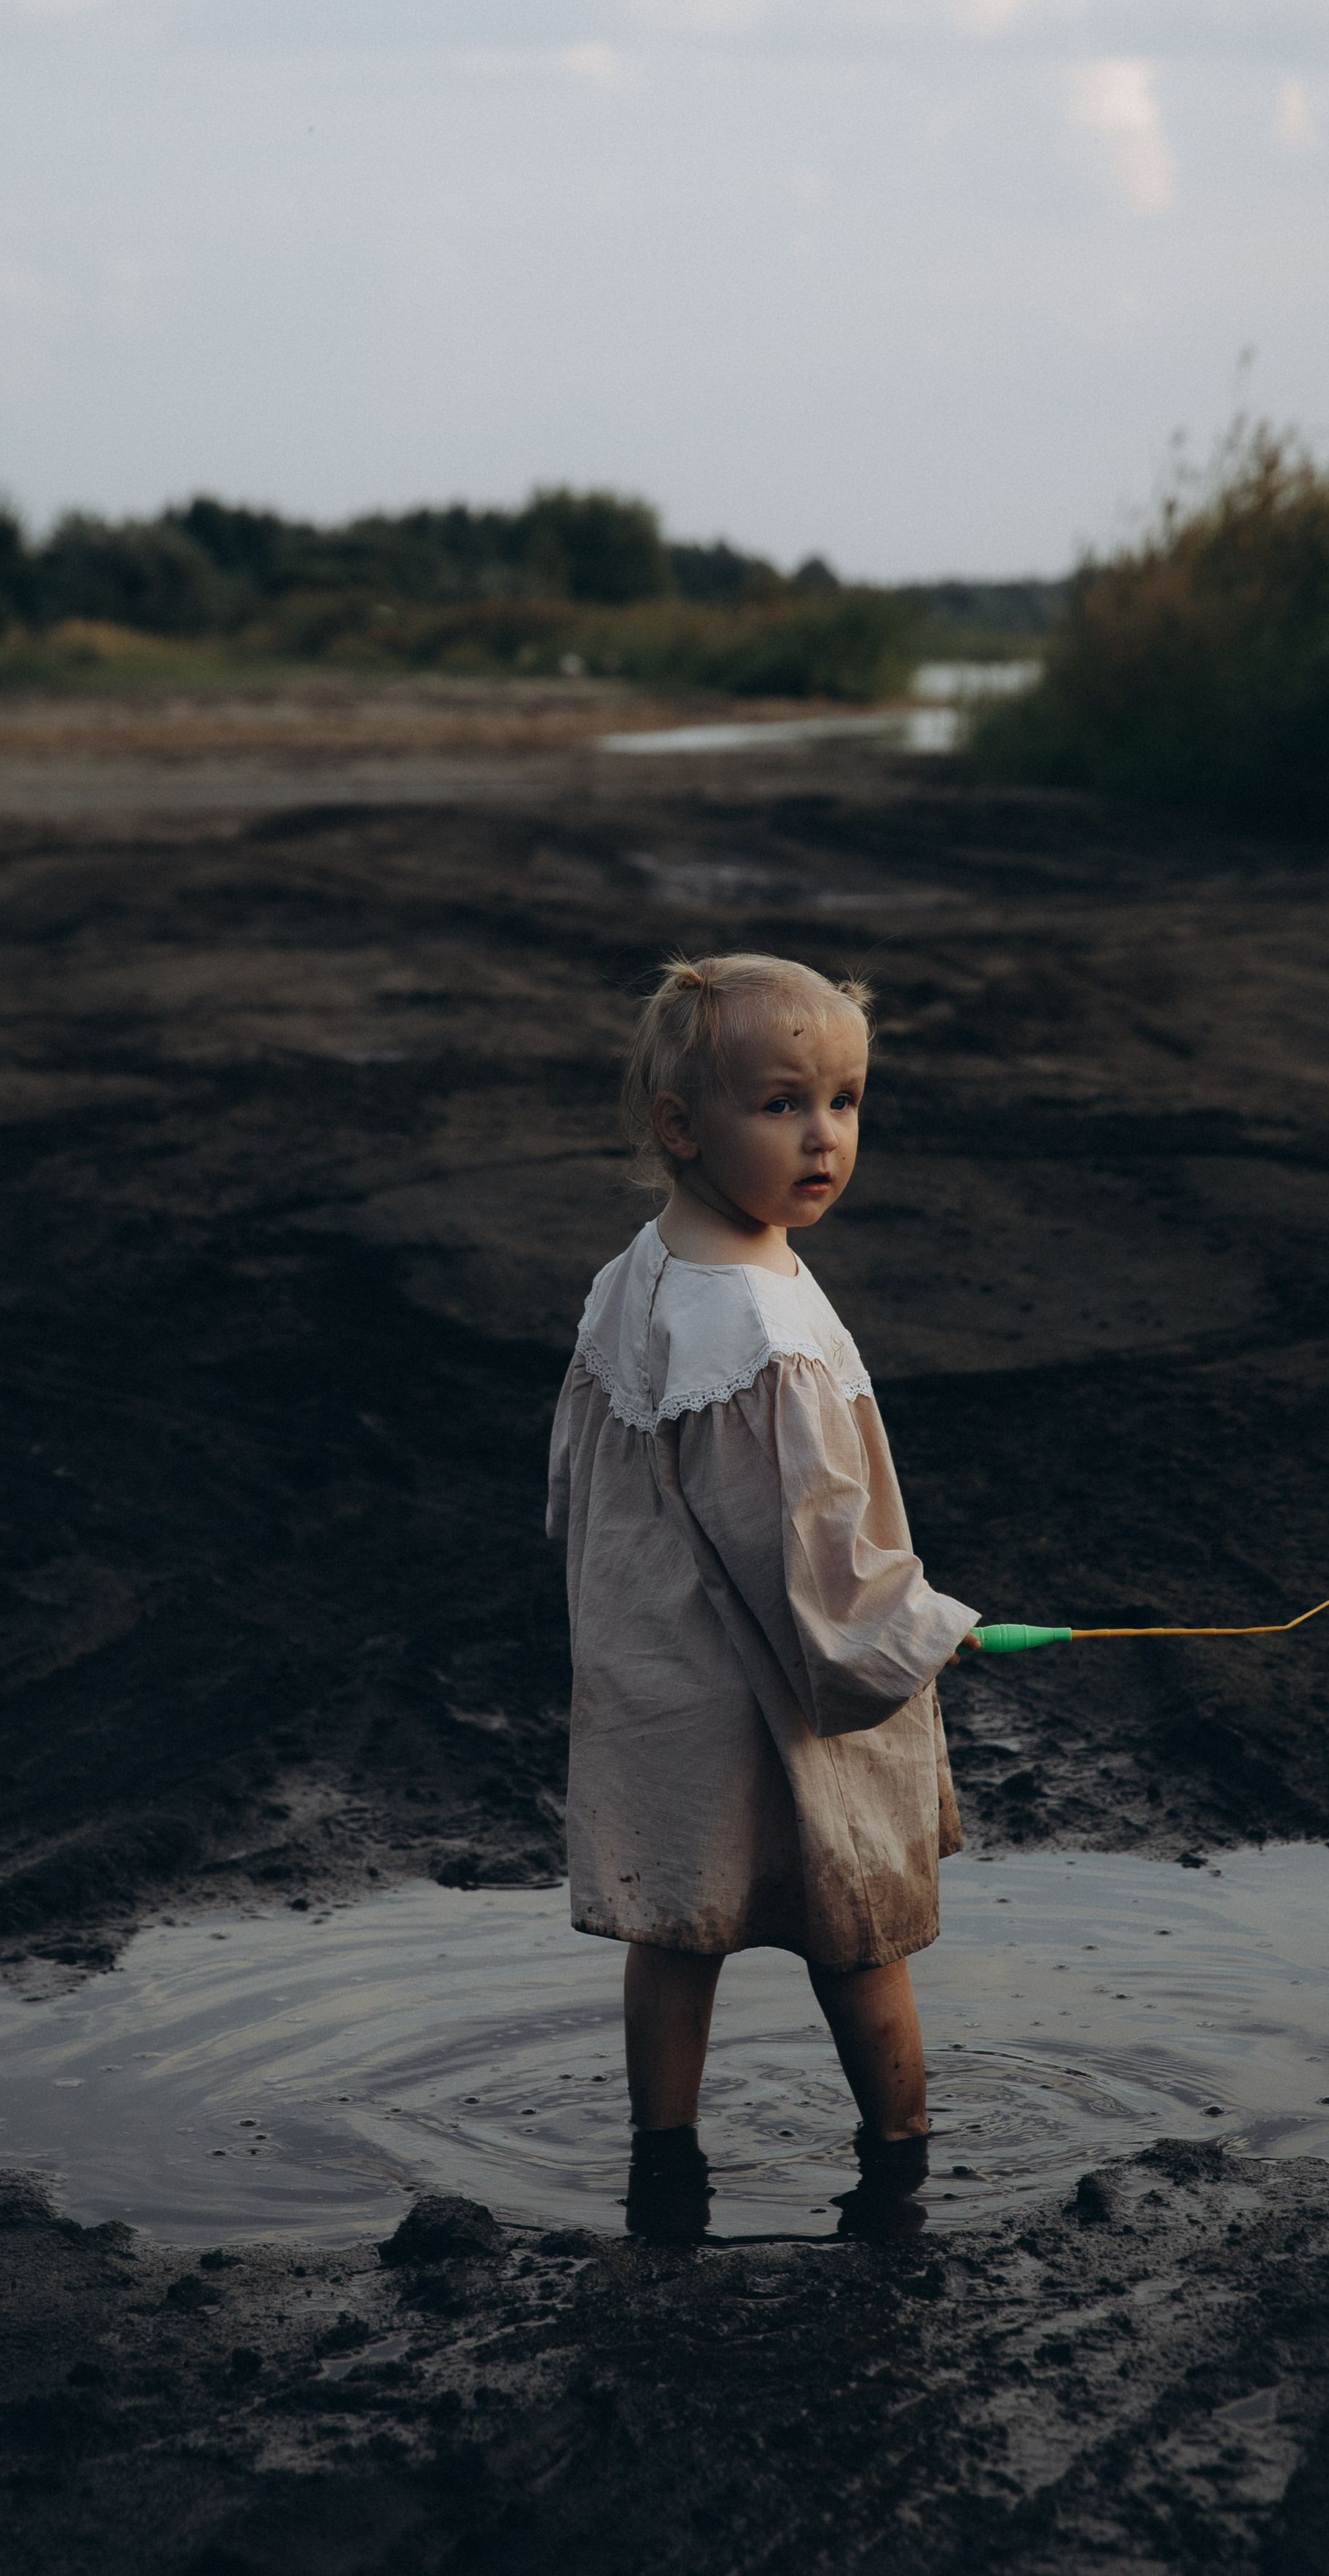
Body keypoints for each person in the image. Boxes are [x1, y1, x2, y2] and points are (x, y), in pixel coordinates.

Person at [545, 951, 982, 2238]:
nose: (824, 1137)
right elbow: (807, 1555)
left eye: (845, 1102)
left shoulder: (639, 1274)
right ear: (682, 1126)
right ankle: (899, 2162)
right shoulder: (759, 1329)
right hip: (777, 1691)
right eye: (782, 1104)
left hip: (660, 1678)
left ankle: (663, 2166)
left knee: (678, 1922)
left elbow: (582, 1484)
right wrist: (916, 1633)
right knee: (860, 1932)